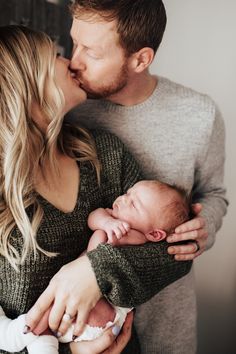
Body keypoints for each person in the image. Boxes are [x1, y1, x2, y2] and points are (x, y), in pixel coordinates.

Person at [43, 0, 227, 353]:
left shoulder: (199, 115)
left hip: (166, 323)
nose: (74, 61)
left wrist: (207, 225)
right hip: (82, 327)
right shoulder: (69, 107)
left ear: (140, 59)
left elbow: (214, 193)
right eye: (74, 43)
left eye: (92, 52)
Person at [0, 24, 192, 354]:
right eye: (56, 56)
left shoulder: (104, 155)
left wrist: (93, 270)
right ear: (26, 83)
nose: (71, 63)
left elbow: (175, 251)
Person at [3, 179, 191, 353]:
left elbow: (176, 257)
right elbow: (94, 217)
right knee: (50, 317)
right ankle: (29, 339)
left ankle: (20, 333)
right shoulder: (112, 217)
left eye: (133, 204)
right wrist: (107, 222)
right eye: (128, 193)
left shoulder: (141, 240)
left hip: (102, 313)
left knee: (52, 308)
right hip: (83, 303)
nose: (123, 199)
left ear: (155, 235)